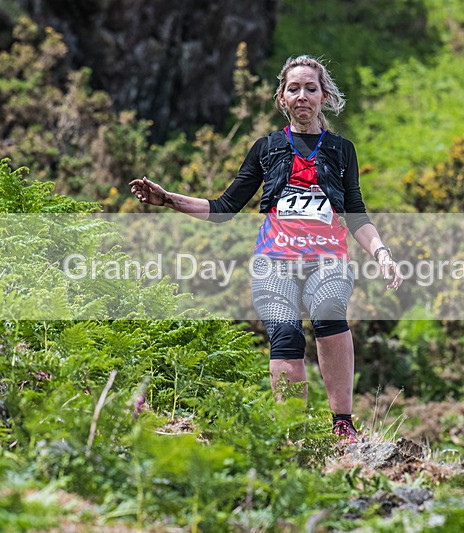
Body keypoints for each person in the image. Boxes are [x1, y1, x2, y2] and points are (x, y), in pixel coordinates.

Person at [130, 54, 401, 443]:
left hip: (328, 260)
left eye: (311, 88)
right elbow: (224, 208)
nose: (303, 96)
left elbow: (355, 214)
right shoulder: (267, 148)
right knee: (286, 333)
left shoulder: (342, 151)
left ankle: (343, 423)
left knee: (328, 311)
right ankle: (293, 432)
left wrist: (382, 254)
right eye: (295, 89)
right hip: (274, 262)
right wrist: (168, 199)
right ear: (281, 98)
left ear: (324, 97)